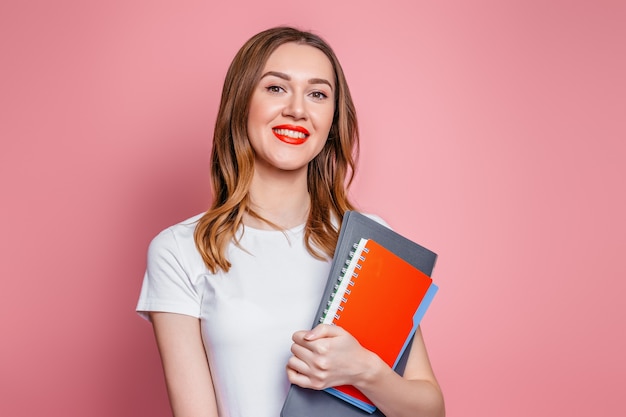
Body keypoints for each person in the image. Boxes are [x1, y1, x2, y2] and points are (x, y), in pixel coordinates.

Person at [136, 26, 445, 417]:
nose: (297, 109)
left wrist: (364, 371)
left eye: (317, 94)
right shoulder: (181, 249)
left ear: (332, 121)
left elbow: (429, 409)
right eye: (276, 88)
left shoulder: (370, 241)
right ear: (241, 102)